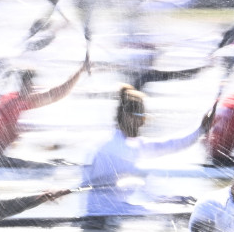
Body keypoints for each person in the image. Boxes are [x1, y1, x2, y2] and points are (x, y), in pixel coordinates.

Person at [80, 86, 212, 216]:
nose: (144, 122)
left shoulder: (117, 142)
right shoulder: (122, 148)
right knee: (179, 208)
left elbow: (169, 144)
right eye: (141, 117)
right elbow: (147, 189)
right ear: (128, 117)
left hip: (104, 213)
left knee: (177, 202)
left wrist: (200, 129)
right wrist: (168, 200)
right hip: (110, 214)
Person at [0, 60, 88, 170]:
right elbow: (56, 94)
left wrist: (79, 72)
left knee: (50, 164)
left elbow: (55, 94)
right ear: (26, 84)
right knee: (47, 168)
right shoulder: (17, 103)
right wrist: (80, 72)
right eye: (32, 84)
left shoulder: (12, 98)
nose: (34, 88)